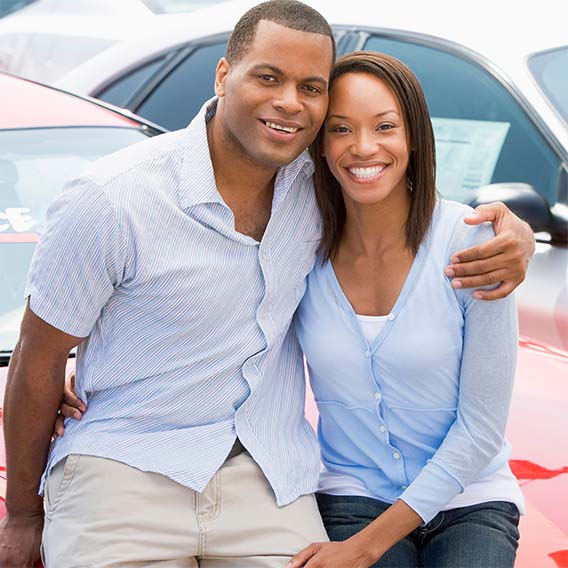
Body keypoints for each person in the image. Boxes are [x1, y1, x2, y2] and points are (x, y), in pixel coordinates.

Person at [0, 1, 533, 566]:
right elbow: (38, 355)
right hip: (125, 468)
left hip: (266, 480)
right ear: (224, 75)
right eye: (268, 77)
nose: (288, 103)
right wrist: (24, 516)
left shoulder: (319, 187)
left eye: (310, 87)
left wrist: (514, 234)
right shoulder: (113, 199)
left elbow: (398, 191)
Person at [288, 51, 524, 568]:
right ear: (321, 146)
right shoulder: (297, 249)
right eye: (341, 129)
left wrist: (364, 549)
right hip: (354, 495)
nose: (363, 147)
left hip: (470, 497)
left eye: (385, 126)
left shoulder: (473, 243)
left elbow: (481, 430)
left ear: (414, 137)